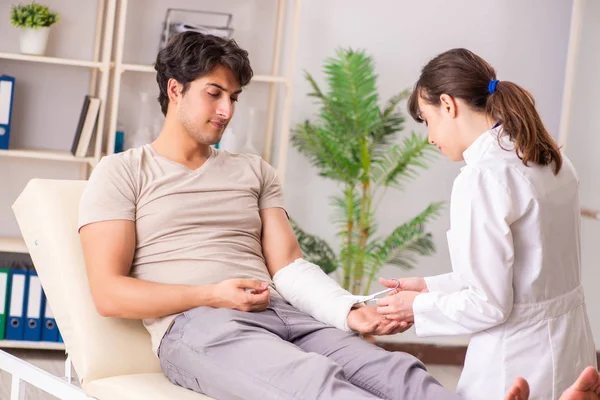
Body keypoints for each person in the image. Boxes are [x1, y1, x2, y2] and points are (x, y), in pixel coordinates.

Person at [77, 32, 600, 400]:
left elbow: (288, 267)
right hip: (200, 324)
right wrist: (211, 294)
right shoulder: (123, 172)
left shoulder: (252, 170)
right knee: (318, 388)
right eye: (214, 94)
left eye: (234, 97)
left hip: (283, 314)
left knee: (402, 376)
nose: (227, 111)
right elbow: (109, 293)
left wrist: (349, 311)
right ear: (175, 90)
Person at [375, 48, 597, 399]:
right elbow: (522, 275)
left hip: (515, 363)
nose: (430, 138)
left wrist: (415, 307)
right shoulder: (549, 158)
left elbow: (489, 303)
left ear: (447, 105)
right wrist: (428, 287)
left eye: (427, 120)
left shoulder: (483, 177)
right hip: (572, 349)